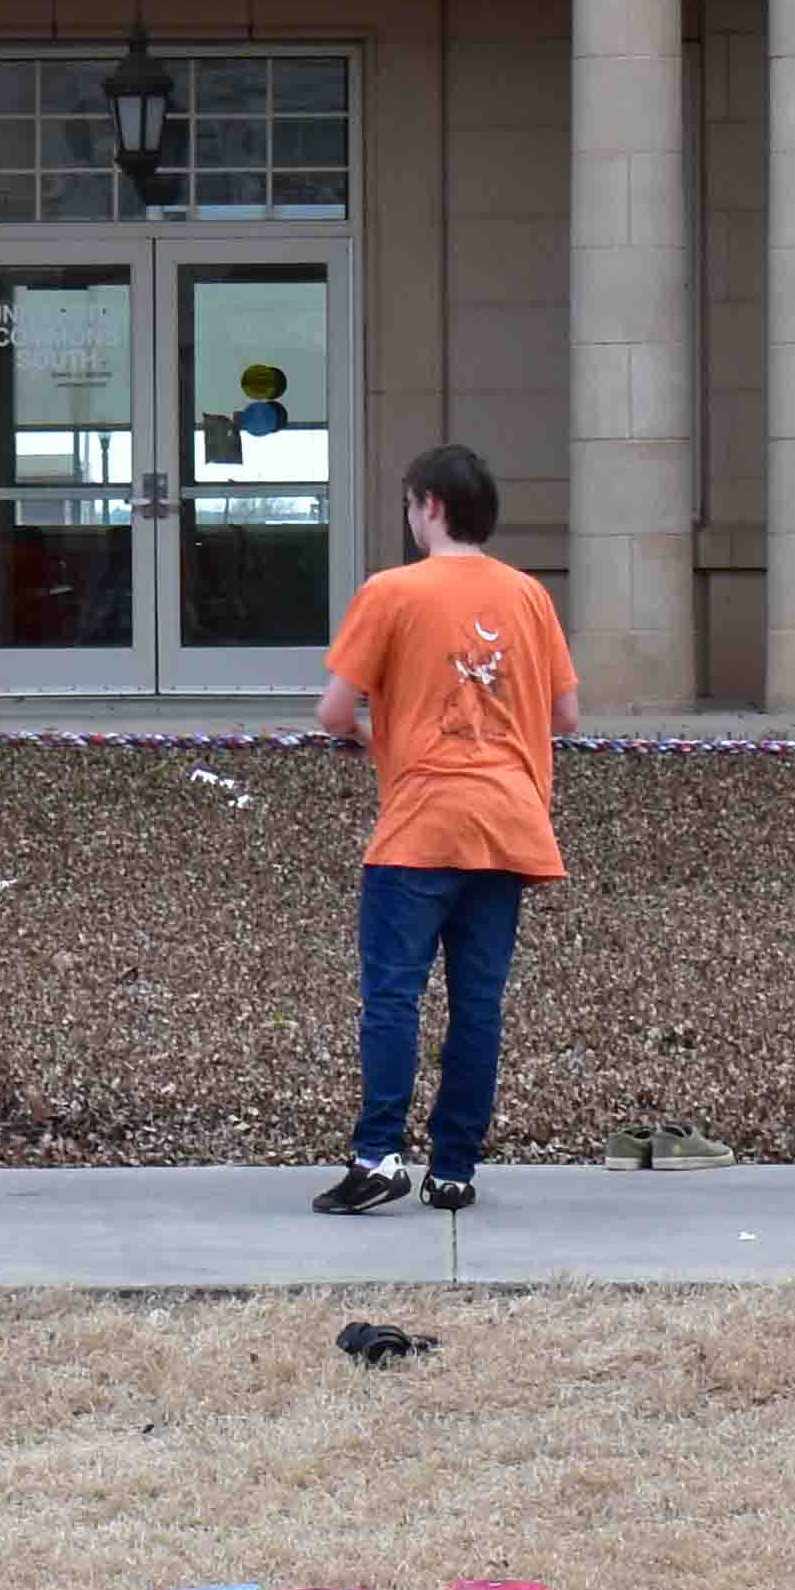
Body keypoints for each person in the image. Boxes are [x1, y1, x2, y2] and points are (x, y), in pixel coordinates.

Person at [308, 444, 580, 1218]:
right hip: (510, 825)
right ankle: (454, 1168)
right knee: (478, 1004)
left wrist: (373, 738)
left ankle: (379, 1152)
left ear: (428, 504)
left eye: (407, 505)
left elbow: (334, 710)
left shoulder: (391, 592)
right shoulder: (528, 597)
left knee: (393, 996)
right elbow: (563, 715)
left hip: (421, 822)